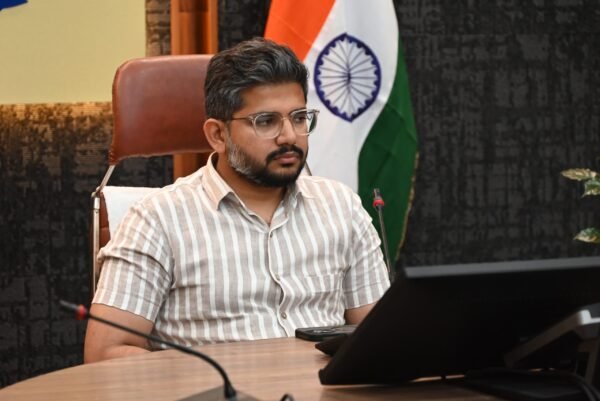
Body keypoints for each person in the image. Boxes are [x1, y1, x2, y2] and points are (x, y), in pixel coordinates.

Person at [84, 37, 390, 362]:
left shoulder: (341, 208)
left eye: (299, 117)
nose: (289, 136)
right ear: (218, 135)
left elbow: (381, 336)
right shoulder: (157, 220)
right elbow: (106, 353)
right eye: (266, 121)